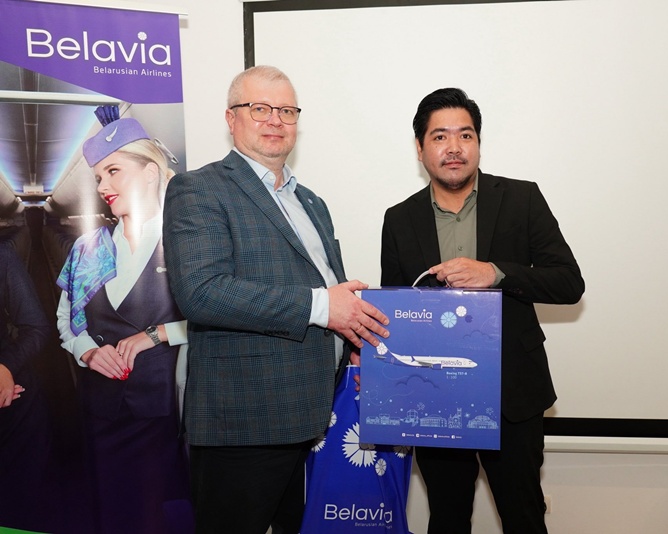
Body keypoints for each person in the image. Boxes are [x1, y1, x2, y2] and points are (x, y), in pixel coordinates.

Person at [162, 65, 390, 534]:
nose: (275, 120)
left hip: (316, 417)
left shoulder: (312, 202)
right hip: (244, 422)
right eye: (260, 108)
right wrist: (324, 308)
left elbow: (328, 288)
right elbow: (201, 292)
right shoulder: (198, 188)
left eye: (287, 111)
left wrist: (352, 338)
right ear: (231, 118)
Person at [380, 88, 585, 534]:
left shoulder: (522, 199)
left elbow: (569, 283)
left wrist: (496, 273)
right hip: (435, 398)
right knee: (447, 518)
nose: (454, 147)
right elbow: (397, 311)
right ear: (420, 148)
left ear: (478, 142)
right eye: (439, 136)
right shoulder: (399, 219)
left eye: (465, 135)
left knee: (524, 517)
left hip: (513, 395)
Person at [56, 107, 192, 534]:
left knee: (163, 514)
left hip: (166, 412)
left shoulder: (185, 241)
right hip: (101, 411)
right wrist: (87, 351)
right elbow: (66, 317)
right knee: (113, 513)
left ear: (150, 172)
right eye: (99, 177)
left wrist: (159, 334)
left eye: (114, 171)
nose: (103, 187)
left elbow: (216, 316)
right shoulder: (89, 248)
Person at [0, 246, 53, 532]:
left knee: (18, 512)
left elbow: (36, 327)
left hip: (11, 402)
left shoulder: (2, 256)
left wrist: (6, 366)